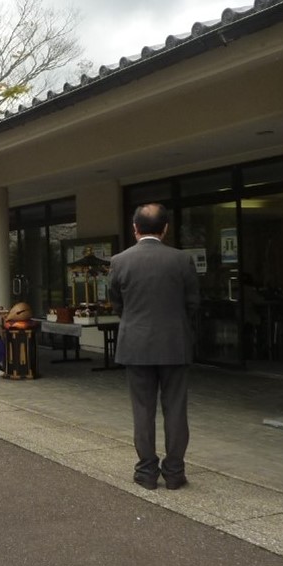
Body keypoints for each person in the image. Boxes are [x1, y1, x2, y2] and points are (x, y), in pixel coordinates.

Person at [108, 204, 200, 491]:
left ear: (135, 228)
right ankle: (174, 473)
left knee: (142, 409)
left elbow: (116, 303)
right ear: (166, 228)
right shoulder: (182, 260)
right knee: (175, 409)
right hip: (175, 344)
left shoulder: (120, 261)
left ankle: (146, 472)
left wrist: (135, 322)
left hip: (136, 345)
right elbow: (193, 304)